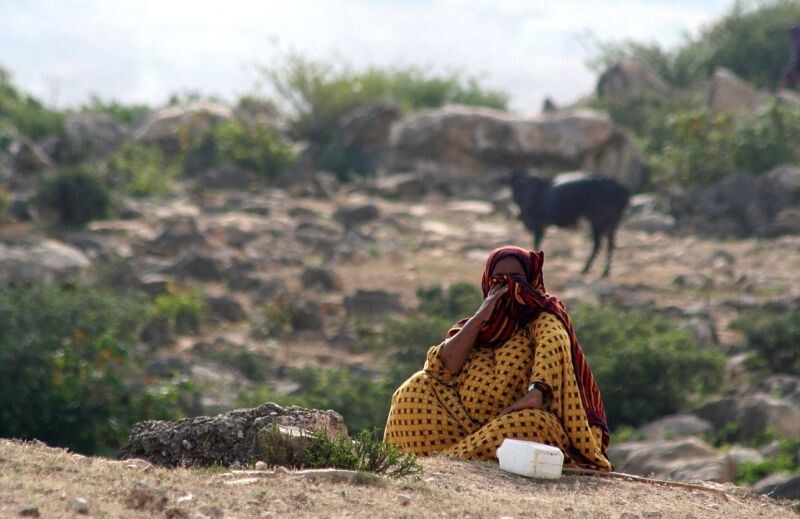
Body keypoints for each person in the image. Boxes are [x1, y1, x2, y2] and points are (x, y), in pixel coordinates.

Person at [384, 245, 612, 471]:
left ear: (530, 280)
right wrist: (482, 315)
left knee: (533, 425)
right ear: (487, 282)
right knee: (412, 391)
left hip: (513, 422)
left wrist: (536, 392)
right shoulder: (478, 326)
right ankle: (437, 457)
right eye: (499, 280)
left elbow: (553, 343)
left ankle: (446, 463)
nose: (508, 287)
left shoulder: (541, 317)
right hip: (460, 420)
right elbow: (442, 367)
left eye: (516, 278)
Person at [781, 25, 800, 90]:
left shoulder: (797, 42)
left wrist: (793, 64)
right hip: (796, 63)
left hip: (797, 63)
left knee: (786, 77)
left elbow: (796, 55)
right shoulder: (795, 41)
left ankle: (781, 95)